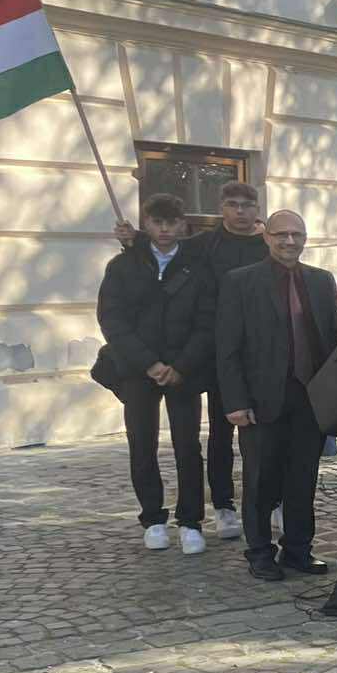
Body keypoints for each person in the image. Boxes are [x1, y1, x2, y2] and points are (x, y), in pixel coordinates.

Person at [215, 211, 337, 581]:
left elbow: (331, 339)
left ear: (305, 238)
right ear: (266, 237)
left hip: (309, 399)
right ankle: (259, 552)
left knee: (303, 478)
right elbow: (227, 347)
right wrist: (235, 401)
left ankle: (298, 550)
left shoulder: (321, 281)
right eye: (281, 234)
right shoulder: (241, 282)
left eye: (296, 234)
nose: (289, 241)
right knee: (259, 480)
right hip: (261, 400)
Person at [98, 193, 215, 553]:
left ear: (182, 225)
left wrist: (182, 366)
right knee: (142, 443)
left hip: (183, 371)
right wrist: (148, 362)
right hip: (138, 370)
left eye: (171, 222)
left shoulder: (198, 266)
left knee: (188, 447)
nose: (164, 229)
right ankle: (152, 518)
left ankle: (191, 521)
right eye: (157, 222)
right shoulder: (123, 266)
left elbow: (207, 322)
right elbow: (112, 320)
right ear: (145, 224)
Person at [180, 181, 266, 539]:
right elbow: (161, 247)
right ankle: (223, 505)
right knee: (221, 433)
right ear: (222, 207)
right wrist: (131, 240)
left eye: (247, 204)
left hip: (263, 352)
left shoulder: (269, 243)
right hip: (221, 353)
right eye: (232, 204)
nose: (240, 211)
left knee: (266, 433)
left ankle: (270, 499)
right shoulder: (204, 244)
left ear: (257, 208)